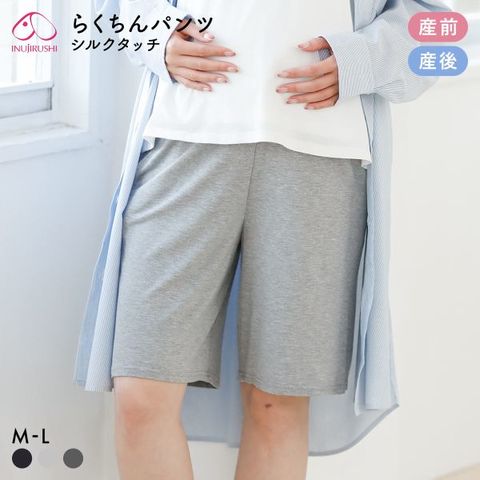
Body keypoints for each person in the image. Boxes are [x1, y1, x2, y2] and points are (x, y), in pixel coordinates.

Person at [73, 0, 448, 479]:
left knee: (278, 403)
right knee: (141, 396)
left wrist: (364, 59)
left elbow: (434, 22)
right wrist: (158, 37)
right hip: (182, 142)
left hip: (320, 155)